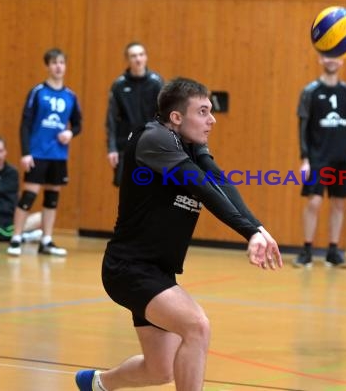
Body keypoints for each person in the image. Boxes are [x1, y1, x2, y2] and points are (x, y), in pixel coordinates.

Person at [75, 77, 283, 391]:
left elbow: (219, 182)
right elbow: (202, 187)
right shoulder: (155, 139)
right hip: (129, 268)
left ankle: (98, 384)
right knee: (197, 327)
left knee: (159, 369)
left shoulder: (188, 143)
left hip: (157, 270)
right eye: (202, 112)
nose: (211, 120)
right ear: (176, 117)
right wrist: (248, 231)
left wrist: (257, 229)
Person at [6, 48, 82, 256]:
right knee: (28, 196)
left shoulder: (70, 96)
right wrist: (25, 152)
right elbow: (25, 124)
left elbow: (78, 124)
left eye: (61, 62)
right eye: (54, 63)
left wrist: (69, 133)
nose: (58, 66)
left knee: (51, 198)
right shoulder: (38, 91)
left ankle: (46, 240)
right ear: (48, 66)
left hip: (58, 154)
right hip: (38, 152)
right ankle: (16, 238)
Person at [293, 54, 346, 268]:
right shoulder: (310, 91)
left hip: (341, 156)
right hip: (317, 157)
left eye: (336, 57)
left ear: (342, 61)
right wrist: (305, 158)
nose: (332, 60)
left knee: (339, 203)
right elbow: (302, 127)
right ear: (321, 60)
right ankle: (306, 249)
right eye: (327, 56)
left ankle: (333, 250)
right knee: (314, 202)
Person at [106, 41, 163, 187]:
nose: (138, 59)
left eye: (141, 55)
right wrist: (112, 148)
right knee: (125, 188)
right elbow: (111, 119)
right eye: (133, 56)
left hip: (151, 145)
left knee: (150, 187)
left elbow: (165, 115)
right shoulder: (119, 85)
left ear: (146, 57)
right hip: (125, 145)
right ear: (128, 60)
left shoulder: (157, 83)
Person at [0, 136, 42, 242]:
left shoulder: (13, 172)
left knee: (42, 217)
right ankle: (20, 236)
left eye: (1, 151)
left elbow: (16, 197)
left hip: (11, 220)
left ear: (5, 151)